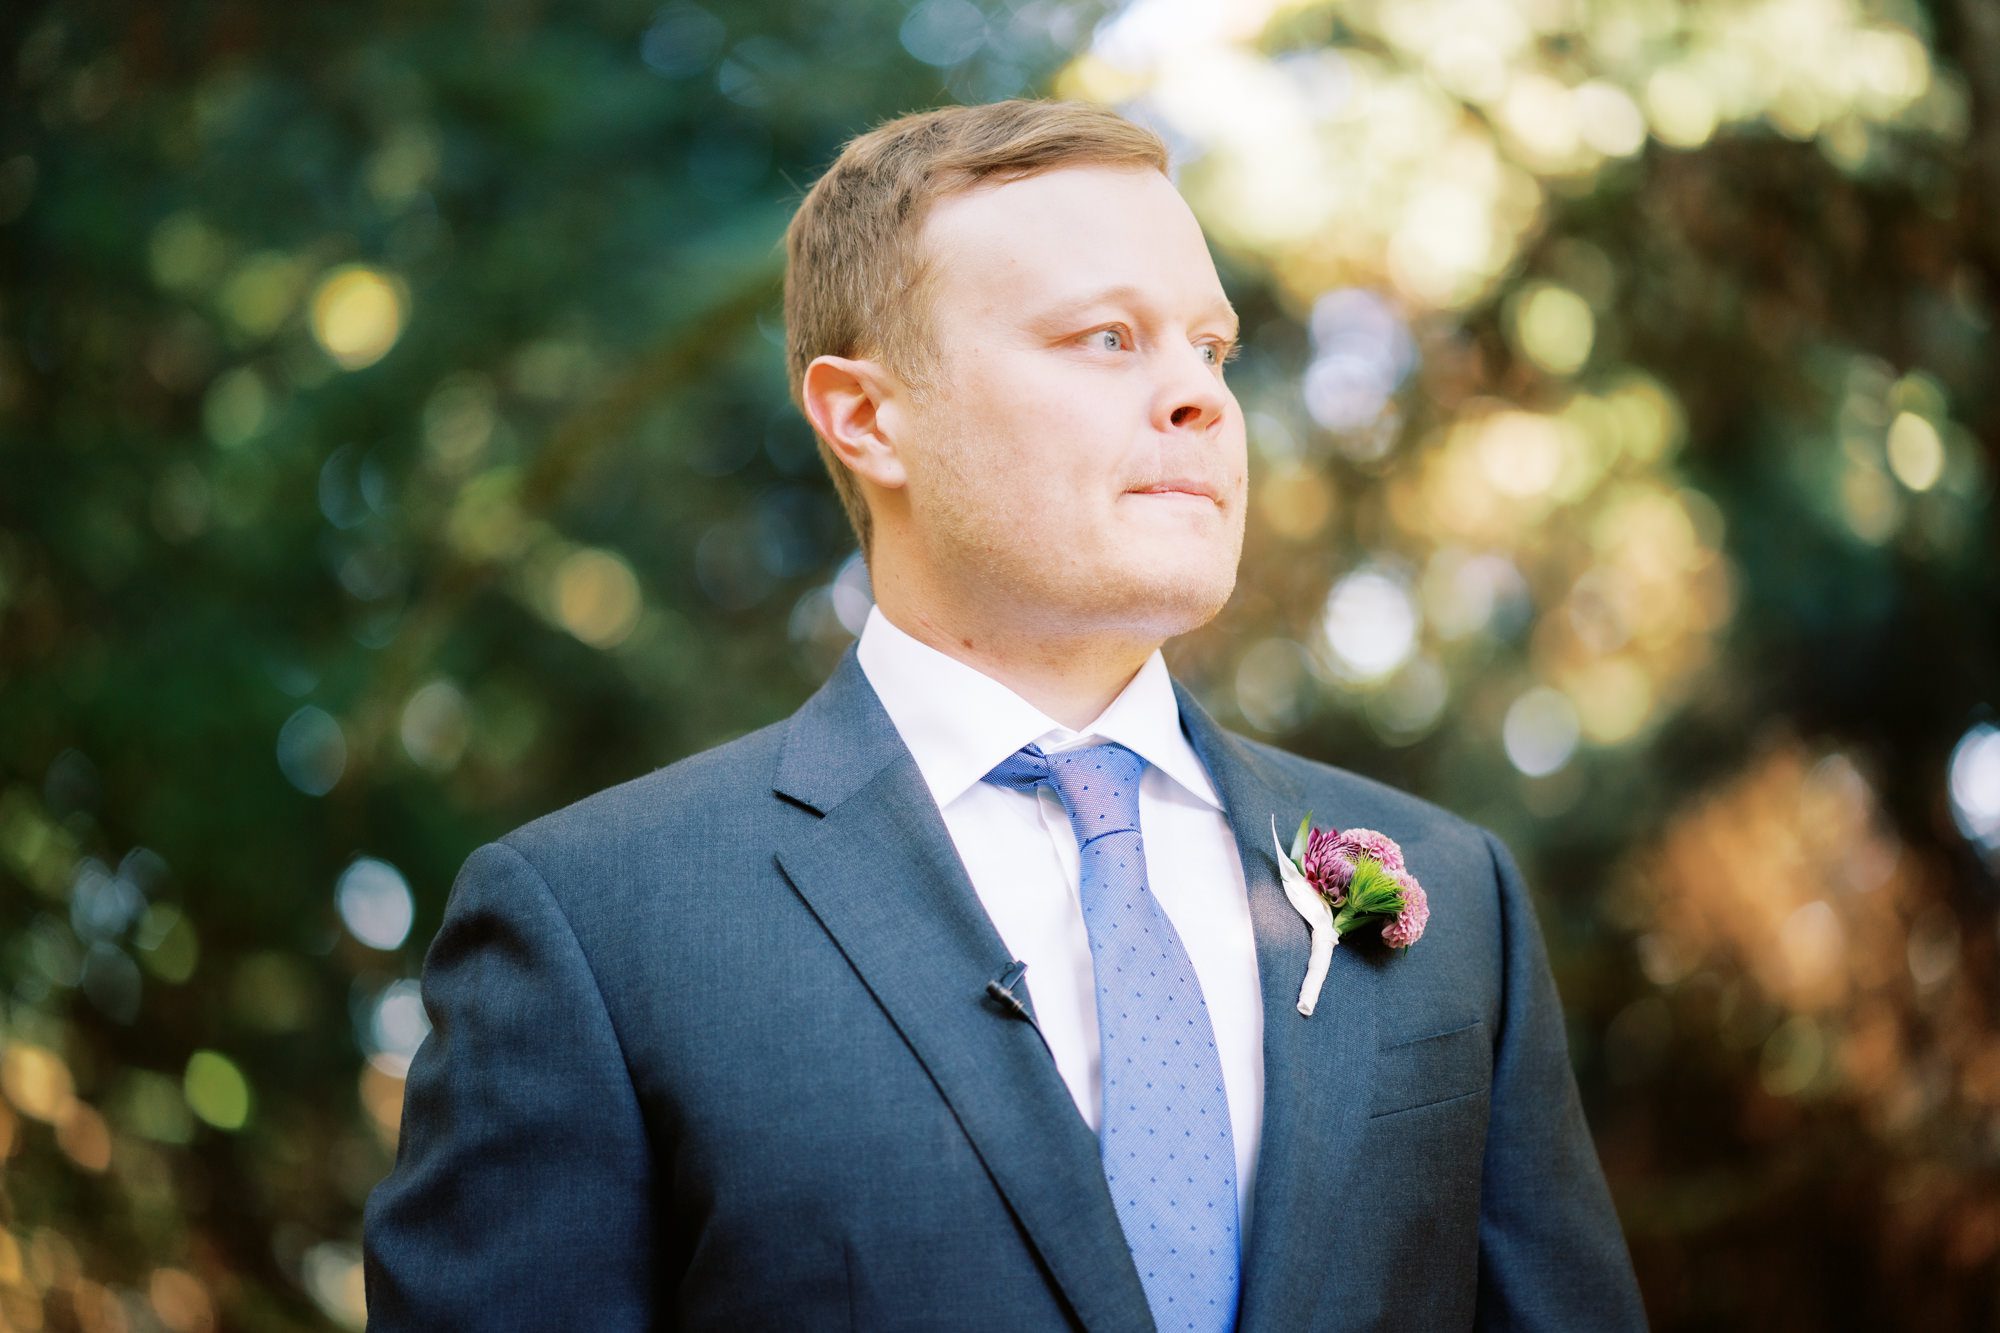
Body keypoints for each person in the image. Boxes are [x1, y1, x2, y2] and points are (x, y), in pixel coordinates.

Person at [361, 98, 1648, 1331]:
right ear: (867, 416)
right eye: (1104, 337)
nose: (1201, 398)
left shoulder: (1453, 899)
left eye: (1211, 347)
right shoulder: (600, 926)